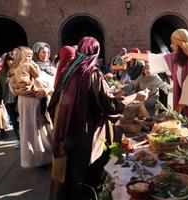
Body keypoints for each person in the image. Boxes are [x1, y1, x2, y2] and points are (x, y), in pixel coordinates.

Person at [49, 36, 148, 200]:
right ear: (96, 52)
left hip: (70, 131)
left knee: (73, 174)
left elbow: (63, 101)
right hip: (88, 134)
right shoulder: (91, 72)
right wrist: (136, 96)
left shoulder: (69, 70)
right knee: (89, 176)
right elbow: (110, 106)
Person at [123, 29, 188, 120]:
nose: (171, 46)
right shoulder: (177, 58)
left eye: (173, 42)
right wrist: (132, 55)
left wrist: (173, 115)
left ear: (181, 44)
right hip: (184, 110)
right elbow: (155, 58)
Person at [8, 46, 53, 168]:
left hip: (33, 101)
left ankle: (40, 157)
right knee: (33, 130)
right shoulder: (28, 67)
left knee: (38, 129)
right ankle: (41, 158)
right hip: (31, 102)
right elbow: (47, 82)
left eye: (30, 56)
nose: (29, 58)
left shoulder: (21, 69)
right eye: (26, 56)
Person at [0, 52, 20, 148]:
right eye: (9, 59)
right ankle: (19, 139)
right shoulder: (1, 73)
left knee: (21, 120)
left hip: (19, 99)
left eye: (13, 59)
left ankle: (25, 138)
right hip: (8, 101)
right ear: (6, 61)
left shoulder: (19, 70)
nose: (11, 62)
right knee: (14, 120)